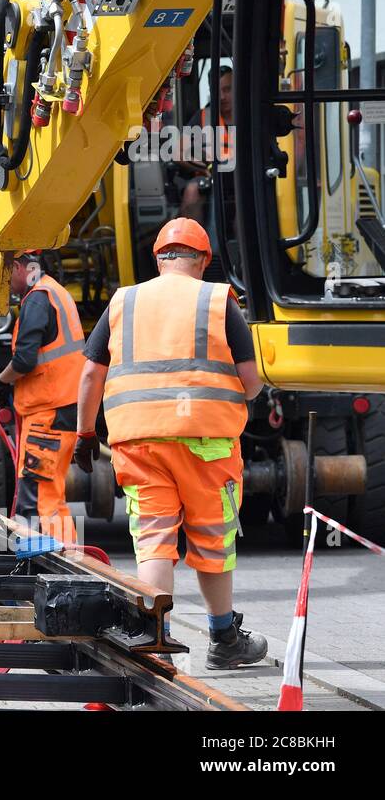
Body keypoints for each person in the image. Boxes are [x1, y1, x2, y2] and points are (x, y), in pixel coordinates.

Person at [76, 217, 267, 669]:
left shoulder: (124, 301)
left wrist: (85, 433)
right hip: (207, 443)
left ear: (159, 258)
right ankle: (224, 638)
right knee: (213, 539)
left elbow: (90, 373)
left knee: (155, 539)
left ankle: (153, 638)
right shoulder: (218, 300)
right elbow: (251, 382)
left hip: (138, 443)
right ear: (203, 259)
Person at [0, 250, 84, 543]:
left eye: (6, 273)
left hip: (47, 415)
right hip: (60, 409)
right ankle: (67, 566)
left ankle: (65, 570)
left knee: (40, 500)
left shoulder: (38, 299)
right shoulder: (55, 292)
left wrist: (0, 383)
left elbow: (25, 360)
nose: (6, 282)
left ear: (18, 267)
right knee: (48, 495)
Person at [179, 66, 232, 222]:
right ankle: (196, 243)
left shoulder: (251, 114)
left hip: (244, 178)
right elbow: (178, 153)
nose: (222, 96)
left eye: (227, 89)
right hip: (212, 179)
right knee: (191, 192)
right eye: (217, 91)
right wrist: (205, 167)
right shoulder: (203, 116)